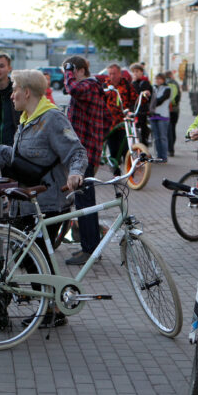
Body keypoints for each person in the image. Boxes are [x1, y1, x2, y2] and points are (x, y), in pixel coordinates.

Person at [0, 69, 88, 326]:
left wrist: (75, 174)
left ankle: (53, 309)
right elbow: (29, 157)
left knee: (37, 256)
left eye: (15, 89)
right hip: (27, 202)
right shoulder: (28, 118)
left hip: (48, 202)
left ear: (27, 92)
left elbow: (77, 152)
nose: (11, 95)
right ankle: (51, 307)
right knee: (33, 256)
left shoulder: (52, 118)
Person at [63, 55, 109, 266]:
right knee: (85, 201)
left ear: (79, 69)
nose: (68, 76)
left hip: (84, 153)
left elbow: (72, 89)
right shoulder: (94, 88)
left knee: (85, 203)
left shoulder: (89, 86)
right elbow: (107, 119)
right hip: (87, 151)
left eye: (70, 71)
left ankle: (89, 250)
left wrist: (68, 71)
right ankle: (91, 246)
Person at [99, 64, 137, 174]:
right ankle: (116, 173)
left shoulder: (127, 85)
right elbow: (100, 102)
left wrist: (144, 96)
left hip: (124, 122)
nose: (112, 76)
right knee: (114, 150)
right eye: (110, 73)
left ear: (120, 73)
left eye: (114, 73)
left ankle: (131, 172)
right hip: (110, 123)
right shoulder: (105, 86)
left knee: (126, 149)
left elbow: (135, 99)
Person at [149, 73, 171, 162]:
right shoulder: (153, 88)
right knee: (156, 137)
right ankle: (158, 156)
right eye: (156, 79)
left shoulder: (167, 89)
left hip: (163, 115)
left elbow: (160, 100)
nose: (157, 81)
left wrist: (152, 102)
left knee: (162, 137)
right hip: (153, 115)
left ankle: (164, 157)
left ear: (163, 80)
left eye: (159, 79)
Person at [129, 63, 153, 145]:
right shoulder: (132, 83)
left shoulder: (145, 82)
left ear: (141, 72)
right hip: (133, 110)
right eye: (133, 72)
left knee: (143, 131)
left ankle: (144, 143)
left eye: (137, 71)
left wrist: (134, 82)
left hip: (142, 110)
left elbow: (139, 93)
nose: (135, 73)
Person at [165, 70, 181, 156]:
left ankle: (169, 148)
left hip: (166, 109)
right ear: (171, 75)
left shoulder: (165, 84)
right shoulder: (175, 83)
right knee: (173, 127)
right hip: (175, 109)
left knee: (168, 129)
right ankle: (172, 148)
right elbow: (178, 96)